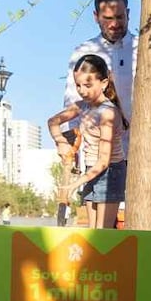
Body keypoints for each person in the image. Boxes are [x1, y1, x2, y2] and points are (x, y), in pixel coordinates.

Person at [63, 0, 151, 167]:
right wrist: (71, 145)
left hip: (142, 150)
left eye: (119, 17)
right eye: (107, 18)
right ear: (96, 17)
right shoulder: (83, 52)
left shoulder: (144, 49)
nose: (114, 24)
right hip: (98, 152)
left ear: (128, 14)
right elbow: (72, 102)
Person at [48, 54, 128, 229]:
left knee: (102, 232)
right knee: (92, 231)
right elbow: (53, 122)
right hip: (91, 169)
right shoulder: (82, 106)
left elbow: (104, 161)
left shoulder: (108, 113)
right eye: (78, 85)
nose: (82, 91)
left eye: (88, 85)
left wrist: (74, 185)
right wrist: (61, 141)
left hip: (110, 171)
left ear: (104, 83)